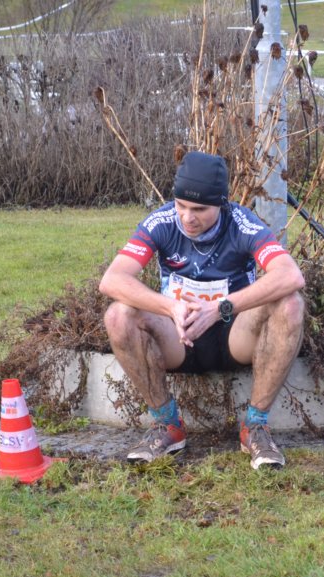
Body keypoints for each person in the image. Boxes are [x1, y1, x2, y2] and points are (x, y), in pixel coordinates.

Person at [98, 151, 305, 469]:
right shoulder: (161, 221)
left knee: (290, 304)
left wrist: (221, 308)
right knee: (118, 315)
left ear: (221, 204)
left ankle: (255, 428)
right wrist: (170, 306)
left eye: (199, 209)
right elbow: (112, 280)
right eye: (181, 205)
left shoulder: (241, 222)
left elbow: (290, 275)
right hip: (179, 335)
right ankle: (167, 425)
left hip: (233, 332)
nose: (187, 217)